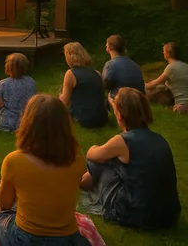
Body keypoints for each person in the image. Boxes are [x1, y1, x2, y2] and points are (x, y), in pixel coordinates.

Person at [0, 94, 89, 245]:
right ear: (65, 127)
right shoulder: (78, 162)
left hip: (24, 239)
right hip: (67, 240)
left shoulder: (13, 161)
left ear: (28, 123)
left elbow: (5, 204)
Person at [82, 88, 181, 230]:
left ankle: (84, 183)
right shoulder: (159, 139)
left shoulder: (122, 141)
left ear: (120, 116)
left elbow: (91, 155)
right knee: (113, 159)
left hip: (138, 216)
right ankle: (84, 181)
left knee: (101, 160)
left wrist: (94, 147)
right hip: (169, 216)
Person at [59, 42, 108, 128]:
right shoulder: (97, 73)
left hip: (84, 118)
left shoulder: (70, 74)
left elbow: (64, 101)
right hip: (102, 118)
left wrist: (59, 95)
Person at [0, 53, 37, 132]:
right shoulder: (31, 81)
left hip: (7, 122)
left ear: (7, 68)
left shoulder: (3, 84)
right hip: (26, 121)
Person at [145, 42, 188, 115]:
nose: (163, 53)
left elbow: (154, 83)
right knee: (161, 88)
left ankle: (146, 110)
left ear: (168, 54)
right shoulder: (186, 65)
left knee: (150, 90)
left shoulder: (171, 68)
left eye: (164, 51)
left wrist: (143, 85)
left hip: (181, 106)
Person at [102, 35, 144, 104]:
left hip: (123, 101)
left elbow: (104, 85)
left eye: (106, 46)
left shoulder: (110, 64)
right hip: (139, 100)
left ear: (109, 48)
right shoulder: (133, 63)